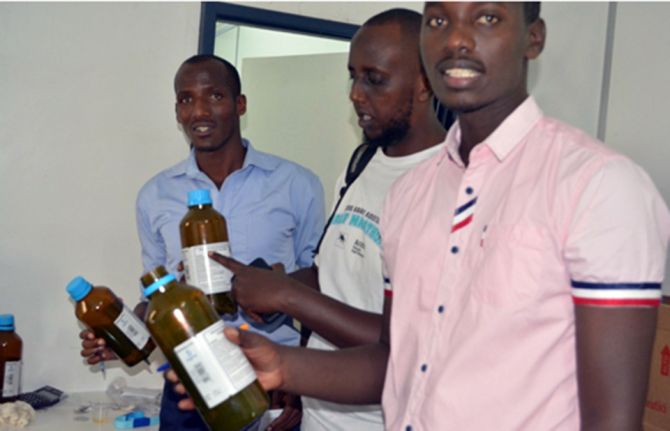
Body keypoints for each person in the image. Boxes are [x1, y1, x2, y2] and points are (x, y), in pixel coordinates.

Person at [171, 2, 670, 430]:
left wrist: (286, 297)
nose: (455, 40)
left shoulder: (598, 186)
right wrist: (278, 365)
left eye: (487, 17)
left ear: (532, 39)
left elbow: (613, 420)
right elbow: (396, 361)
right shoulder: (412, 193)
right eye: (437, 21)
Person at [206, 8, 448, 431]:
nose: (356, 94)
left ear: (426, 84)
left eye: (374, 79)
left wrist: (286, 296)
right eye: (353, 76)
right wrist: (258, 287)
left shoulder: (449, 187)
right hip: (322, 411)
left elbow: (406, 344)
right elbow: (332, 272)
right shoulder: (362, 163)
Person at [80, 54, 325, 431]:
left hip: (274, 377)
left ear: (240, 104)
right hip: (188, 384)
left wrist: (303, 380)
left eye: (214, 96)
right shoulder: (154, 195)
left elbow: (319, 285)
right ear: (177, 111)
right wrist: (125, 336)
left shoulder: (296, 185)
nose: (199, 111)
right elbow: (155, 296)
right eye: (185, 99)